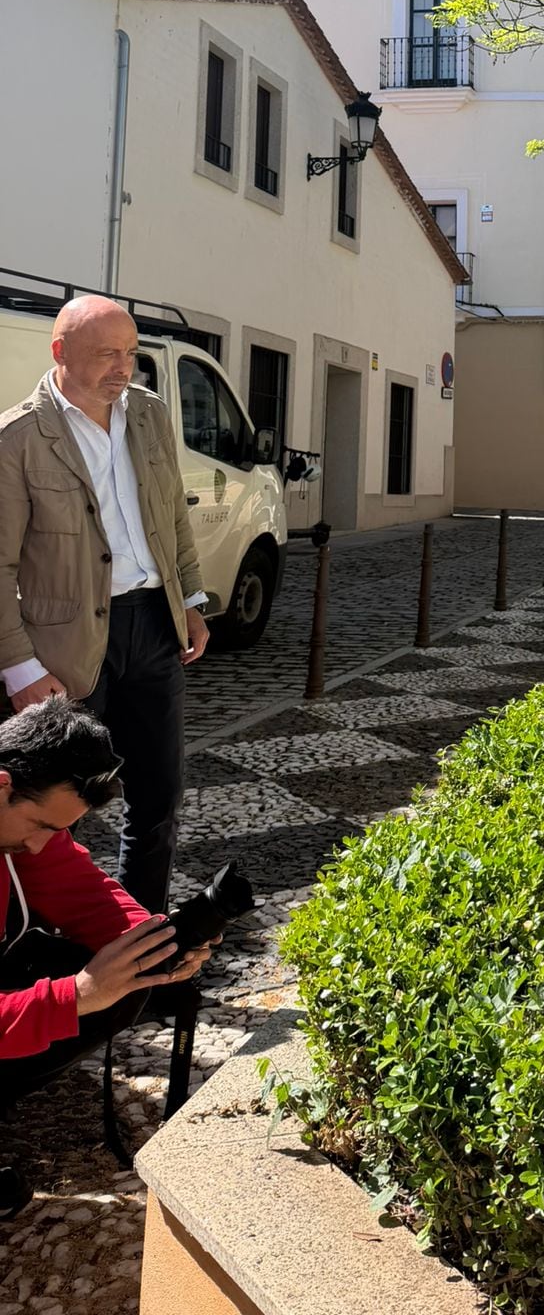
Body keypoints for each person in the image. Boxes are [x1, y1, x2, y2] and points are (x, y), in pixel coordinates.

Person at [0, 296, 210, 913]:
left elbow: (172, 512)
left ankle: (137, 942)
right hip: (60, 647)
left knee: (159, 797)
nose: (124, 369)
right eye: (106, 355)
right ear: (59, 353)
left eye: (130, 353)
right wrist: (20, 668)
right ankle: (41, 943)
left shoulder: (147, 414)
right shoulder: (17, 437)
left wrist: (191, 598)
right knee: (55, 809)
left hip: (152, 624)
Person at [0, 700, 212, 1217]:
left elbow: (80, 890)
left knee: (125, 981)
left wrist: (158, 942)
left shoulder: (23, 826)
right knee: (90, 994)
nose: (39, 845)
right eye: (41, 825)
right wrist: (75, 995)